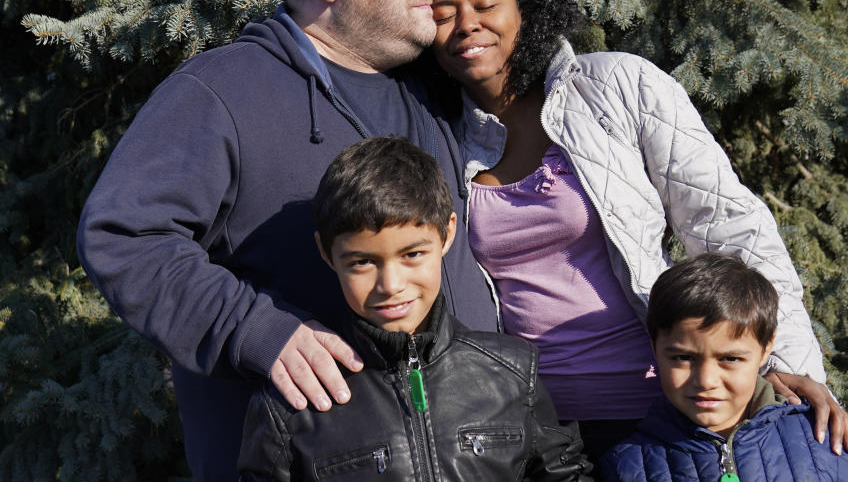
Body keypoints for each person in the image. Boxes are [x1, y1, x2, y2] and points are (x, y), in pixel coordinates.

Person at [76, 0, 499, 480]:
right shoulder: (222, 92)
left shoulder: (432, 90)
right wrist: (256, 330)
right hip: (291, 460)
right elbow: (123, 236)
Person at [426, 0, 848, 470]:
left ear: (527, 9)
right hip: (536, 433)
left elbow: (726, 224)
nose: (467, 24)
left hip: (662, 415)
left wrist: (791, 360)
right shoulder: (440, 134)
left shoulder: (615, 86)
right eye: (444, 13)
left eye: (486, 5)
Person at [237, 136, 592, 481]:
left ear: (447, 234)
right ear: (327, 253)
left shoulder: (514, 371)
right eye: (362, 261)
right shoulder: (291, 402)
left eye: (412, 254)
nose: (390, 285)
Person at [602, 253, 848, 482]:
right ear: (654, 347)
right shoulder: (628, 463)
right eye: (682, 358)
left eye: (730, 359)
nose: (706, 380)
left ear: (765, 349)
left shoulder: (822, 439)